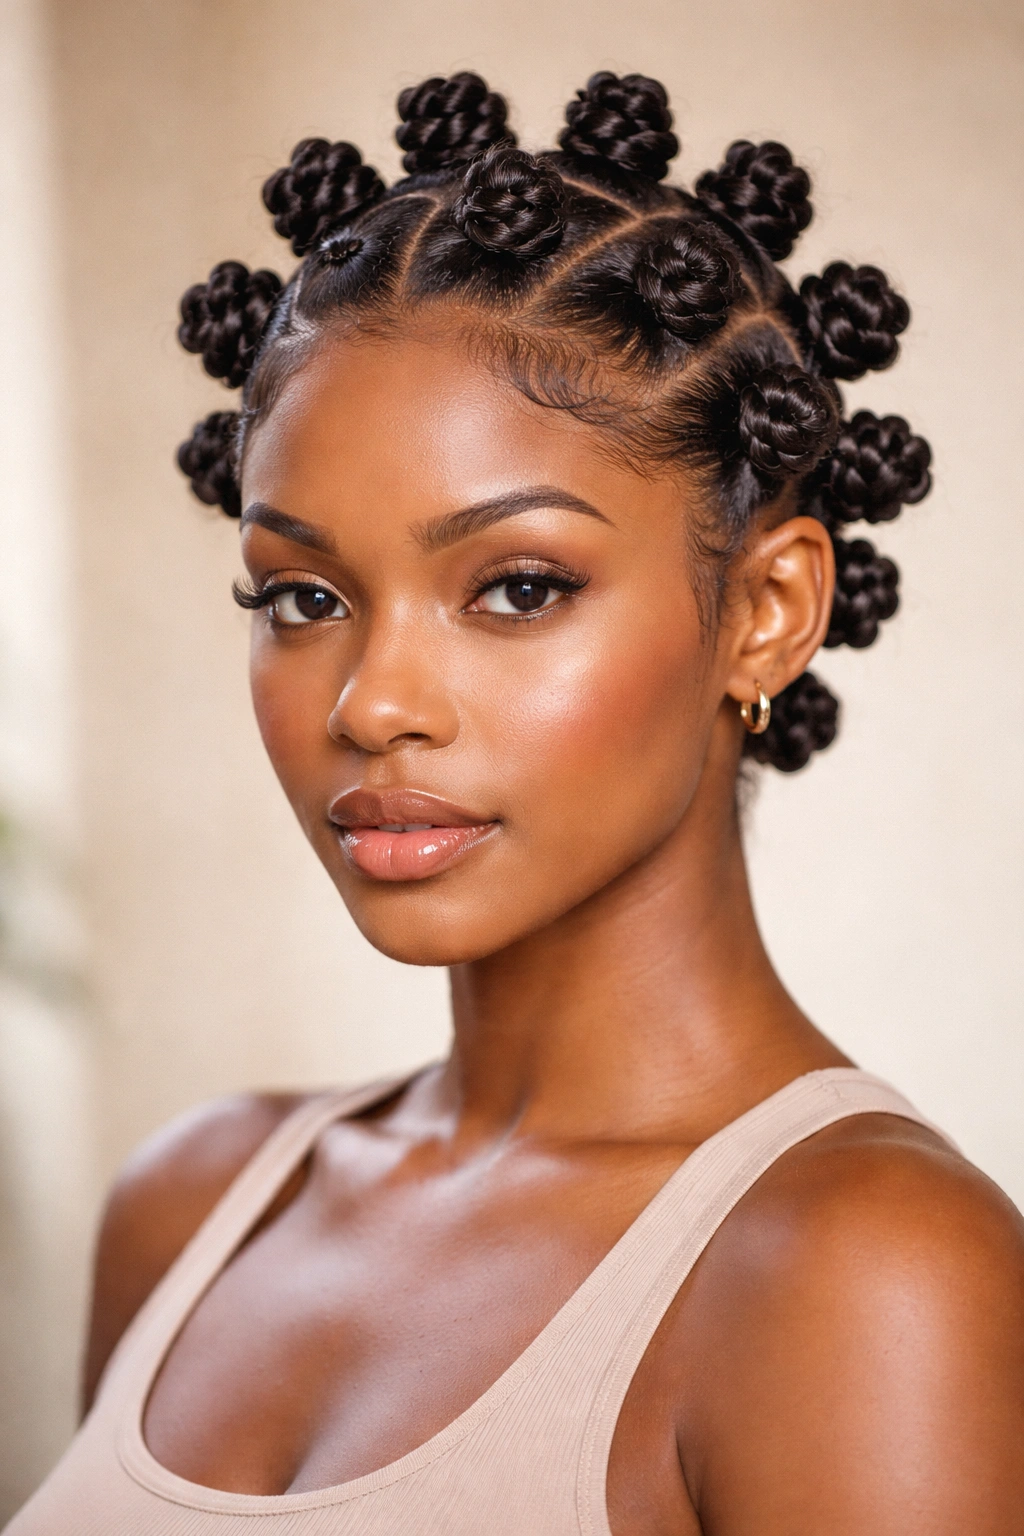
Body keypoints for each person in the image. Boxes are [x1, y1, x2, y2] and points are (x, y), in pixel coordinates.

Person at [10, 70, 1024, 1536]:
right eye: (303, 595)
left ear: (767, 609)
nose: (369, 702)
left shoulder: (862, 1278)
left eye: (517, 588)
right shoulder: (197, 1207)